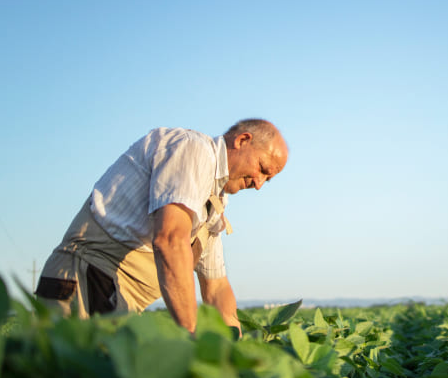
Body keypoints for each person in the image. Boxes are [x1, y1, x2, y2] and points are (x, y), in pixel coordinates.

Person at [35, 118, 288, 334]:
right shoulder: (194, 151)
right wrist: (191, 335)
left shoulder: (215, 202)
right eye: (262, 169)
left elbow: (216, 287)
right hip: (85, 280)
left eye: (268, 179)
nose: (259, 184)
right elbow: (169, 241)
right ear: (242, 140)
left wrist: (233, 349)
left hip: (117, 300)